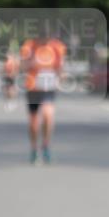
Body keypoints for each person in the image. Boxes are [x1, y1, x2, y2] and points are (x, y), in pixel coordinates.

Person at [20, 35, 66, 164]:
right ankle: (34, 148)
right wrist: (31, 62)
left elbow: (60, 66)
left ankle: (46, 145)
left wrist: (60, 78)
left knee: (48, 115)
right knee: (34, 123)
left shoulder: (57, 46)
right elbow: (22, 66)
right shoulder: (29, 45)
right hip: (33, 88)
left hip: (48, 87)